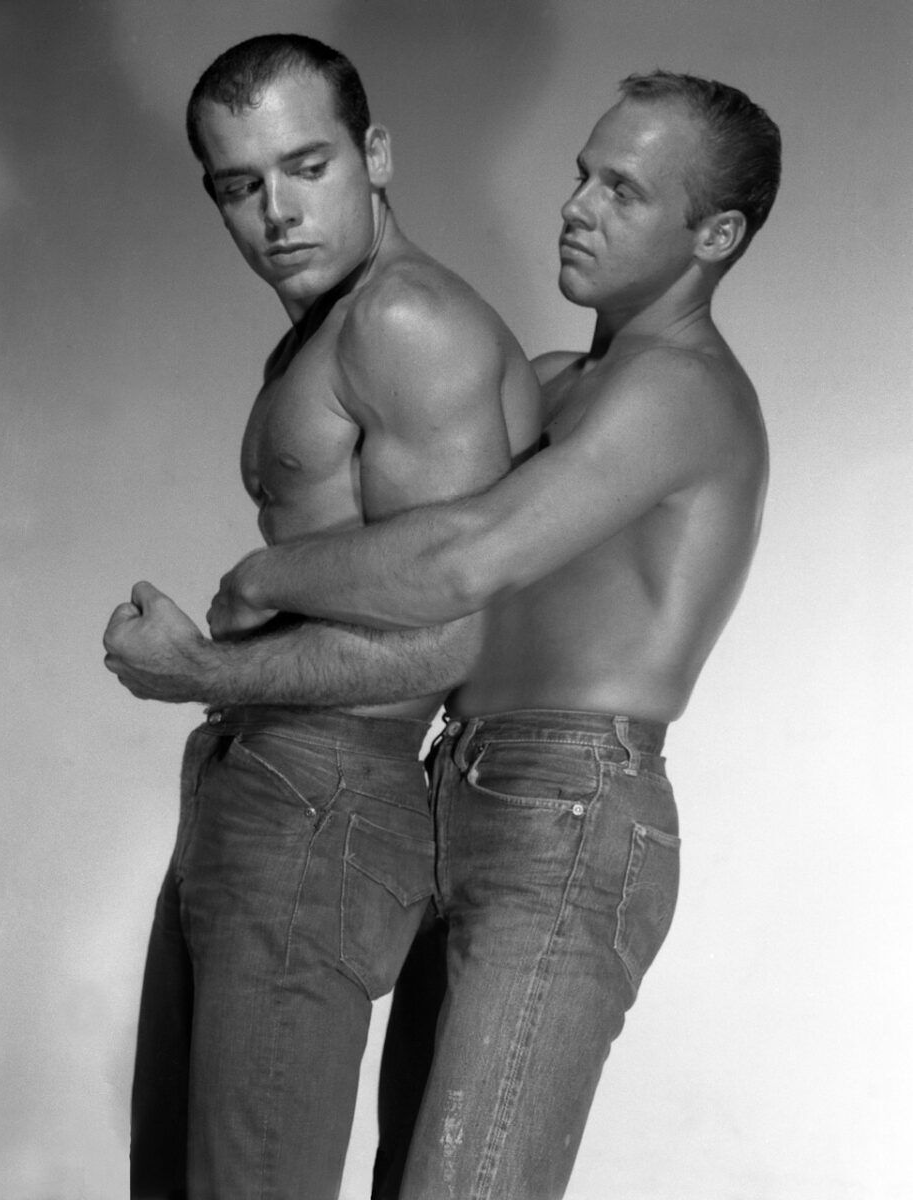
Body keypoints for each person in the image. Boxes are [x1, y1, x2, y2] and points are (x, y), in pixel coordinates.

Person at [205, 71, 782, 1199]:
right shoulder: (561, 380)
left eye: (623, 191)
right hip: (457, 795)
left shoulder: (682, 391)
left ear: (713, 234)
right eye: (582, 174)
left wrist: (257, 581)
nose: (576, 205)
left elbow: (463, 556)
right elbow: (397, 491)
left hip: (570, 813)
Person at [102, 33, 540, 1200]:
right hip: (263, 789)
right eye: (240, 186)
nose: (277, 212)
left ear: (375, 153)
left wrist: (201, 662)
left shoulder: (403, 324)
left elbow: (444, 636)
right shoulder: (323, 331)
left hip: (323, 799)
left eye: (306, 166)